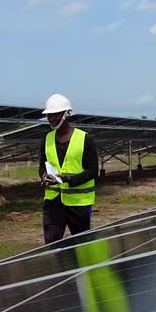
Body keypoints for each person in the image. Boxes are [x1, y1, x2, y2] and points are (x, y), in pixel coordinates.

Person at [39, 93, 98, 244]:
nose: (51, 119)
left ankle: (83, 268)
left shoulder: (85, 139)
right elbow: (42, 165)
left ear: (66, 114)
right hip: (53, 203)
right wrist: (44, 176)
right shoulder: (47, 139)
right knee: (52, 244)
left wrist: (68, 179)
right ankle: (58, 268)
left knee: (82, 244)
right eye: (49, 116)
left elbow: (93, 170)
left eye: (55, 115)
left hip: (78, 203)